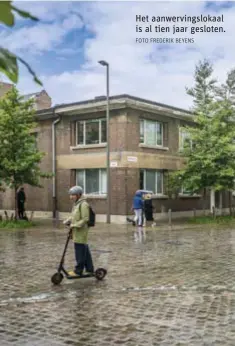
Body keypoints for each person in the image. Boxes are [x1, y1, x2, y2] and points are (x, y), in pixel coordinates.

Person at [63, 185, 94, 277]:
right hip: (76, 230)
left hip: (81, 230)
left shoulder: (83, 204)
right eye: (70, 195)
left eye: (73, 195)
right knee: (84, 249)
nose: (71, 197)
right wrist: (68, 221)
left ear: (79, 195)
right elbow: (74, 216)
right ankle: (90, 269)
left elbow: (85, 219)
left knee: (80, 250)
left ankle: (78, 271)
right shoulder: (76, 204)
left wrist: (74, 225)